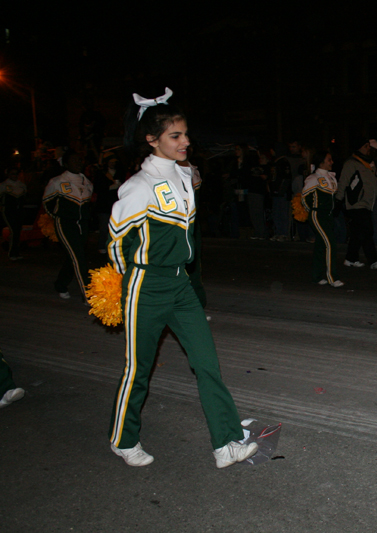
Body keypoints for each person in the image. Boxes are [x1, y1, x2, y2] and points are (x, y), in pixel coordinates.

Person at [107, 88, 257, 468]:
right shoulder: (137, 187)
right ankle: (123, 440)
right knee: (137, 371)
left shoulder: (186, 176)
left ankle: (225, 444)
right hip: (146, 287)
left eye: (186, 134)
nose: (186, 141)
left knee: (206, 362)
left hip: (181, 286)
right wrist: (126, 287)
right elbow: (115, 244)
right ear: (151, 139)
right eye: (176, 136)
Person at [43, 150, 93, 301]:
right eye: (74, 160)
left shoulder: (88, 182)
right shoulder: (57, 181)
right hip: (65, 224)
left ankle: (60, 284)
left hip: (82, 225)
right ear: (66, 164)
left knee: (75, 257)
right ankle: (89, 296)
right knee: (79, 258)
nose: (78, 163)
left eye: (80, 160)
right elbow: (47, 203)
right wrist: (60, 217)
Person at [335, 139, 377, 269]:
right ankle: (373, 260)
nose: (368, 148)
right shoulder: (351, 163)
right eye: (365, 146)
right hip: (356, 203)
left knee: (358, 232)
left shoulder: (369, 163)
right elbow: (343, 182)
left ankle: (350, 258)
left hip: (368, 203)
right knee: (367, 230)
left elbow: (376, 181)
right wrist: (338, 200)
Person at [302, 150, 343, 287]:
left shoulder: (331, 178)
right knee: (330, 244)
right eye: (329, 160)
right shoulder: (313, 178)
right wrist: (313, 212)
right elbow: (305, 199)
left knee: (321, 246)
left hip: (328, 216)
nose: (331, 162)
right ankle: (332, 277)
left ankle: (317, 276)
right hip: (318, 215)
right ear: (321, 162)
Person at [0, 167, 26, 260]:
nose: (14, 176)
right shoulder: (3, 185)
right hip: (8, 211)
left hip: (19, 211)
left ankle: (16, 252)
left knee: (17, 231)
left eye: (16, 173)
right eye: (12, 173)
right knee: (14, 230)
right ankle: (12, 253)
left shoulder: (22, 185)